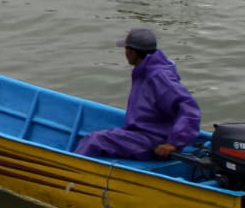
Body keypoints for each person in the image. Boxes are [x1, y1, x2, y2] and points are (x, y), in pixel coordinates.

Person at [75, 27, 201, 160]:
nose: (125, 54)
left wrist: (173, 143)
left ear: (132, 52)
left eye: (126, 49)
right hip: (142, 133)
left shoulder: (158, 76)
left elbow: (189, 109)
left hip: (153, 140)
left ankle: (71, 172)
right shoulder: (144, 71)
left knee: (94, 140)